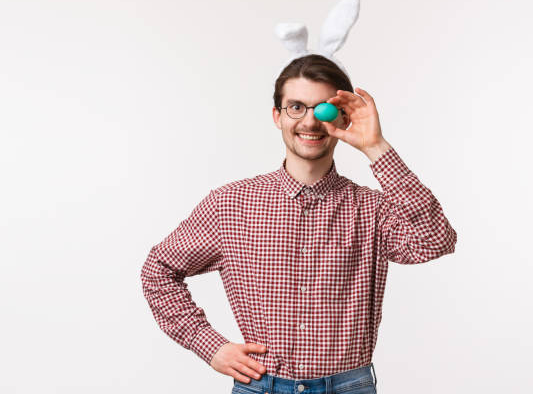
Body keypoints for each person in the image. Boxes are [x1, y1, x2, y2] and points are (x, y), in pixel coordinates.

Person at [140, 54, 458, 393]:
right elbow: (157, 270)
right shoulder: (229, 204)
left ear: (343, 117)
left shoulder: (373, 209)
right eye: (296, 107)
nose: (309, 122)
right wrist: (210, 346)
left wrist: (376, 147)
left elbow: (436, 241)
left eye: (323, 108)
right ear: (277, 116)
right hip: (261, 386)